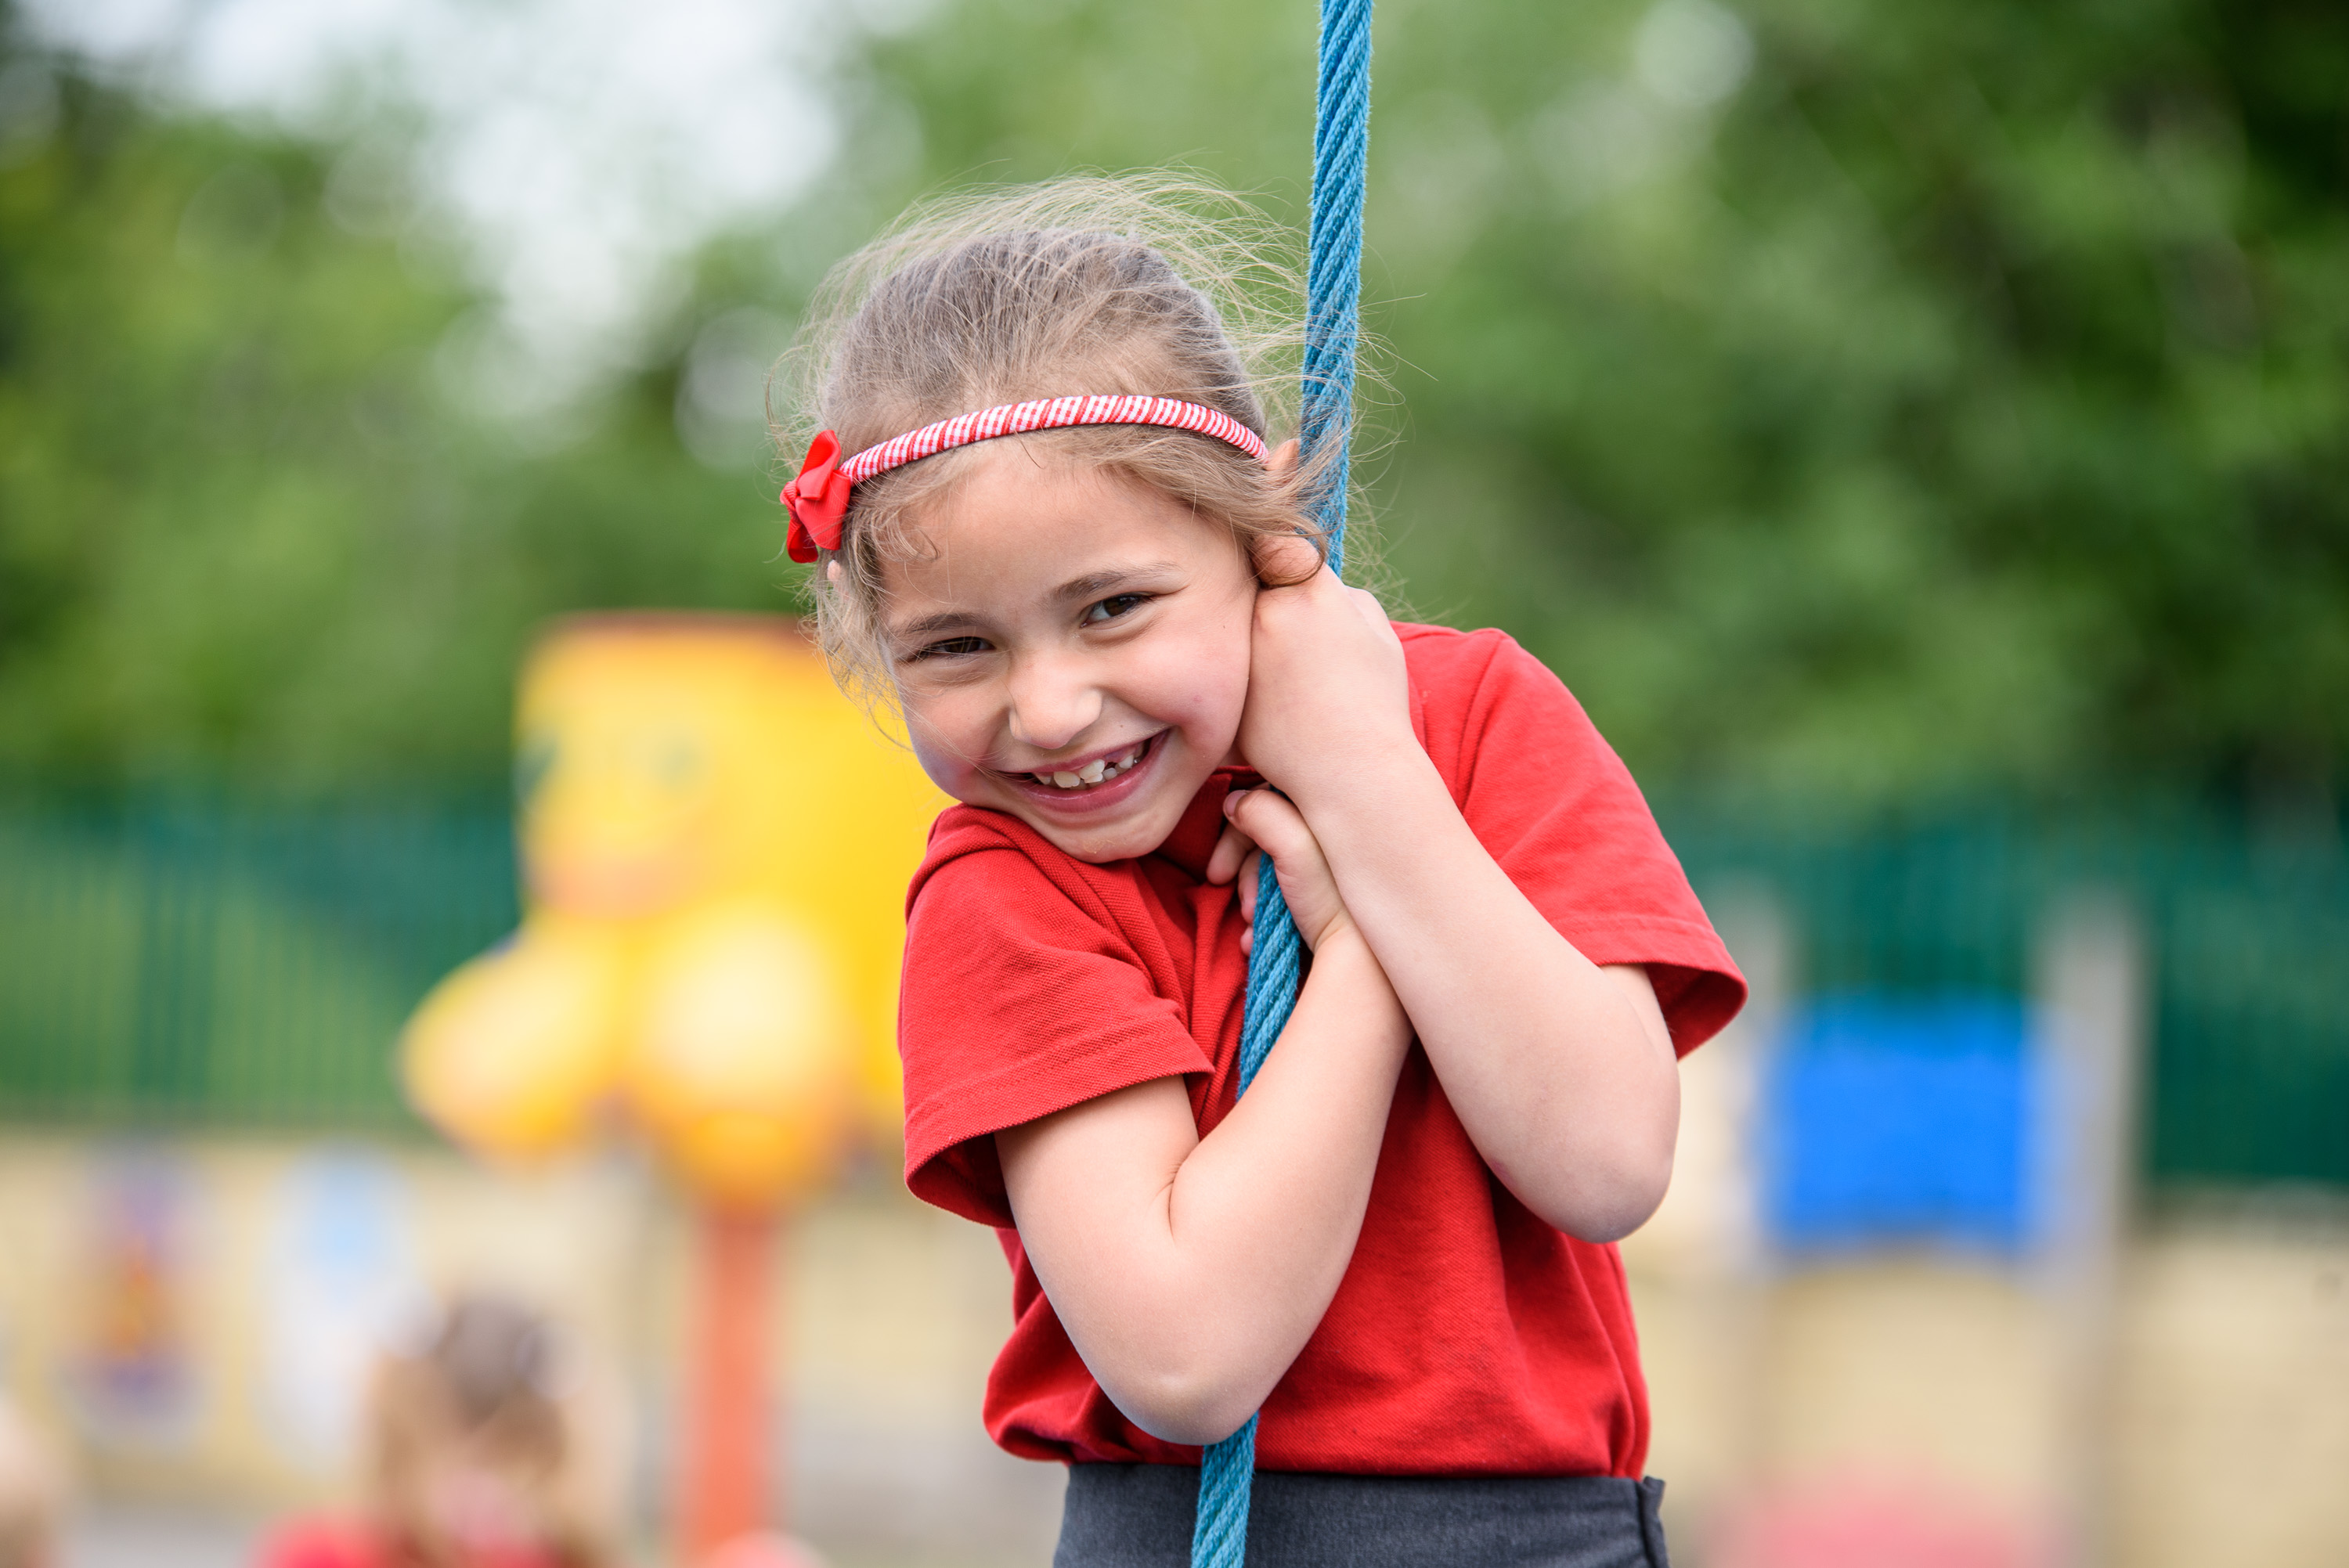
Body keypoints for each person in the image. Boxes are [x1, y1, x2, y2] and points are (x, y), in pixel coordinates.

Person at [778, 175, 1747, 1566]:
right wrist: (1354, 962)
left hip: (1546, 1534)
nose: (1048, 707)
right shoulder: (1007, 890)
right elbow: (1185, 1354)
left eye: (1113, 607)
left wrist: (1368, 782)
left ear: (1263, 531)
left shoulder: (1469, 724)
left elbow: (1603, 1157)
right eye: (956, 647)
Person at [257, 1295, 610, 1568]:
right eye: (461, 1465)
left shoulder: (563, 1557)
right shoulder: (321, 1555)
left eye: (509, 1470)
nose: (482, 1498)